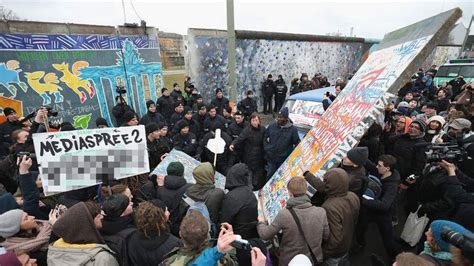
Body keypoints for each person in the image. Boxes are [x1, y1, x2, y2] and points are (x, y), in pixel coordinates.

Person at [257, 176, 329, 265]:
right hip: (313, 259)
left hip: (289, 260)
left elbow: (265, 234)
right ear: (306, 191)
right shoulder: (321, 212)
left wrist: (261, 222)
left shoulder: (284, 215)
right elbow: (326, 236)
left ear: (290, 193)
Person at [304, 168, 360, 265]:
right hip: (347, 242)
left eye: (325, 181)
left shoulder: (329, 207)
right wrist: (308, 175)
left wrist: (321, 254)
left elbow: (334, 240)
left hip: (335, 252)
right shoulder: (353, 196)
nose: (324, 182)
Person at [356, 155, 401, 259]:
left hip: (382, 214)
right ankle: (360, 243)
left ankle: (397, 257)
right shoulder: (380, 171)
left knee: (387, 238)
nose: (376, 167)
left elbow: (384, 205)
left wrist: (363, 200)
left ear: (387, 168)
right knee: (360, 228)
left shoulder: (392, 186)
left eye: (379, 165)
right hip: (369, 210)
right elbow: (367, 162)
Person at [47, 201, 119, 266]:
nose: (102, 217)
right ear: (87, 223)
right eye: (97, 215)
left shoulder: (54, 252)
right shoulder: (102, 258)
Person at [163, 212, 236, 265]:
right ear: (207, 235)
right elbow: (233, 263)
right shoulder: (220, 259)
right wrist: (230, 242)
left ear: (180, 234)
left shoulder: (170, 263)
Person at [127, 200, 182, 265]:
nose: (169, 213)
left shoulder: (131, 238)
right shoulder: (175, 244)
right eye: (166, 210)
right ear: (161, 217)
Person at [220, 163, 258, 239]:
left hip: (235, 234)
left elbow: (225, 221)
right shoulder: (250, 192)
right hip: (250, 233)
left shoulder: (231, 197)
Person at [230, 113, 266, 190]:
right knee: (249, 172)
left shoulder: (263, 129)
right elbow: (240, 138)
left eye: (256, 120)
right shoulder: (247, 130)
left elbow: (266, 138)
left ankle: (255, 185)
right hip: (249, 155)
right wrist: (233, 144)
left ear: (259, 121)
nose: (255, 122)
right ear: (250, 122)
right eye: (253, 120)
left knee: (257, 173)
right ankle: (249, 188)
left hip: (259, 155)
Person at [156, 162, 192, 236]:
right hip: (180, 226)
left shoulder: (160, 189)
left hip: (165, 225)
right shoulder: (189, 188)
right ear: (182, 173)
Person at [264, 107, 300, 178]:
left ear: (286, 118)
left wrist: (291, 156)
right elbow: (265, 137)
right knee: (269, 176)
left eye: (281, 117)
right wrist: (266, 148)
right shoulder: (272, 126)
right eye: (278, 117)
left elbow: (297, 143)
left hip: (283, 160)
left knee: (280, 178)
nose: (279, 119)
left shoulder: (293, 130)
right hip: (271, 158)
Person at [101, 194, 136, 266]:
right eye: (129, 204)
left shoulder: (103, 226)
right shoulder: (129, 232)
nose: (132, 203)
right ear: (122, 212)